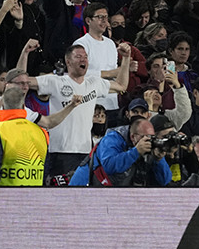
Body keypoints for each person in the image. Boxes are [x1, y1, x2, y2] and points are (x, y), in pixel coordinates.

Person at [19, 39, 132, 179]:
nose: (83, 59)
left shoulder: (93, 82)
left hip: (85, 152)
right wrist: (25, 53)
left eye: (85, 57)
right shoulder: (55, 81)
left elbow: (121, 86)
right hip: (59, 151)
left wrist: (126, 58)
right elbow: (19, 81)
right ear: (68, 61)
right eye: (78, 57)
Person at [0, 86, 75, 186]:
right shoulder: (41, 132)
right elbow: (45, 169)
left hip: (5, 196)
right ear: (23, 106)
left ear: (3, 105)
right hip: (34, 196)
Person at [69, 115, 172, 186]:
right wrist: (136, 152)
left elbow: (165, 181)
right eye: (144, 137)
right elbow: (109, 166)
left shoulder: (148, 145)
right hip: (85, 185)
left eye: (151, 137)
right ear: (133, 136)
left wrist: (159, 159)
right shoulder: (112, 139)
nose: (147, 140)